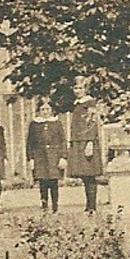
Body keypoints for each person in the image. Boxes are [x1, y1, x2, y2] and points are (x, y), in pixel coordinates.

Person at [67, 79, 105, 214]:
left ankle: (92, 207)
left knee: (90, 175)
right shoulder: (77, 104)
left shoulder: (89, 103)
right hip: (78, 141)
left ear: (86, 89)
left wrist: (90, 142)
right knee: (84, 175)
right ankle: (88, 206)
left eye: (81, 88)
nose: (77, 91)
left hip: (87, 141)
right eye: (76, 88)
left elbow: (92, 123)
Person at [25, 98, 67, 214]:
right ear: (38, 111)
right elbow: (30, 143)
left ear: (52, 110)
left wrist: (63, 157)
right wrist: (31, 158)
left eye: (47, 109)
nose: (45, 111)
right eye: (42, 109)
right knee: (43, 183)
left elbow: (63, 141)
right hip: (40, 156)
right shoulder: (34, 124)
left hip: (54, 156)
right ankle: (44, 207)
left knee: (53, 182)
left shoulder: (57, 123)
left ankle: (55, 207)